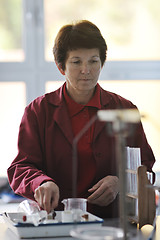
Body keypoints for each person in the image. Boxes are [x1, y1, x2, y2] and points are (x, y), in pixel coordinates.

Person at [7, 20, 155, 219]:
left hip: (113, 222)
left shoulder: (124, 109)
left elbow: (146, 168)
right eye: (76, 62)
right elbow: (20, 168)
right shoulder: (38, 111)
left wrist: (120, 182)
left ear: (101, 63)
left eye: (93, 61)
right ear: (61, 67)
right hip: (56, 221)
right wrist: (41, 183)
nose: (86, 70)